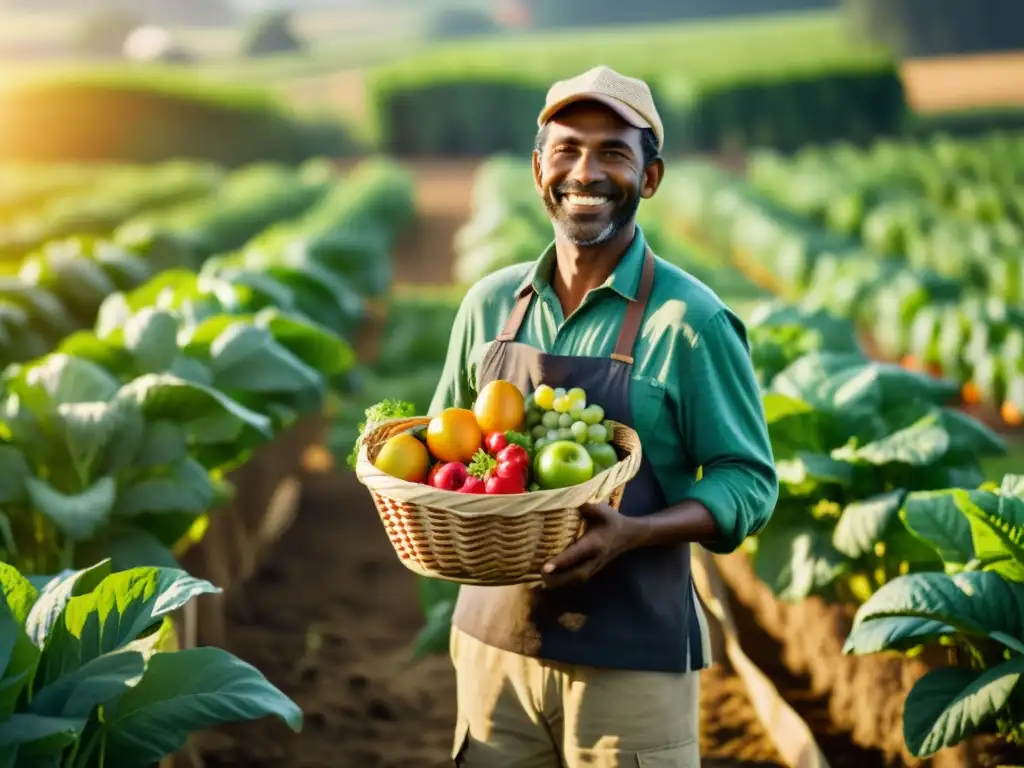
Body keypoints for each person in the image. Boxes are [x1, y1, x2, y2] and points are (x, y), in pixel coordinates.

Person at [428, 65, 779, 768]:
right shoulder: (489, 306)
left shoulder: (692, 323)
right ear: (538, 169)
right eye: (567, 149)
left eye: (614, 152)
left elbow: (749, 482)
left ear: (649, 177)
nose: (585, 172)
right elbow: (443, 451)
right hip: (493, 646)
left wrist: (637, 531)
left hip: (632, 663)